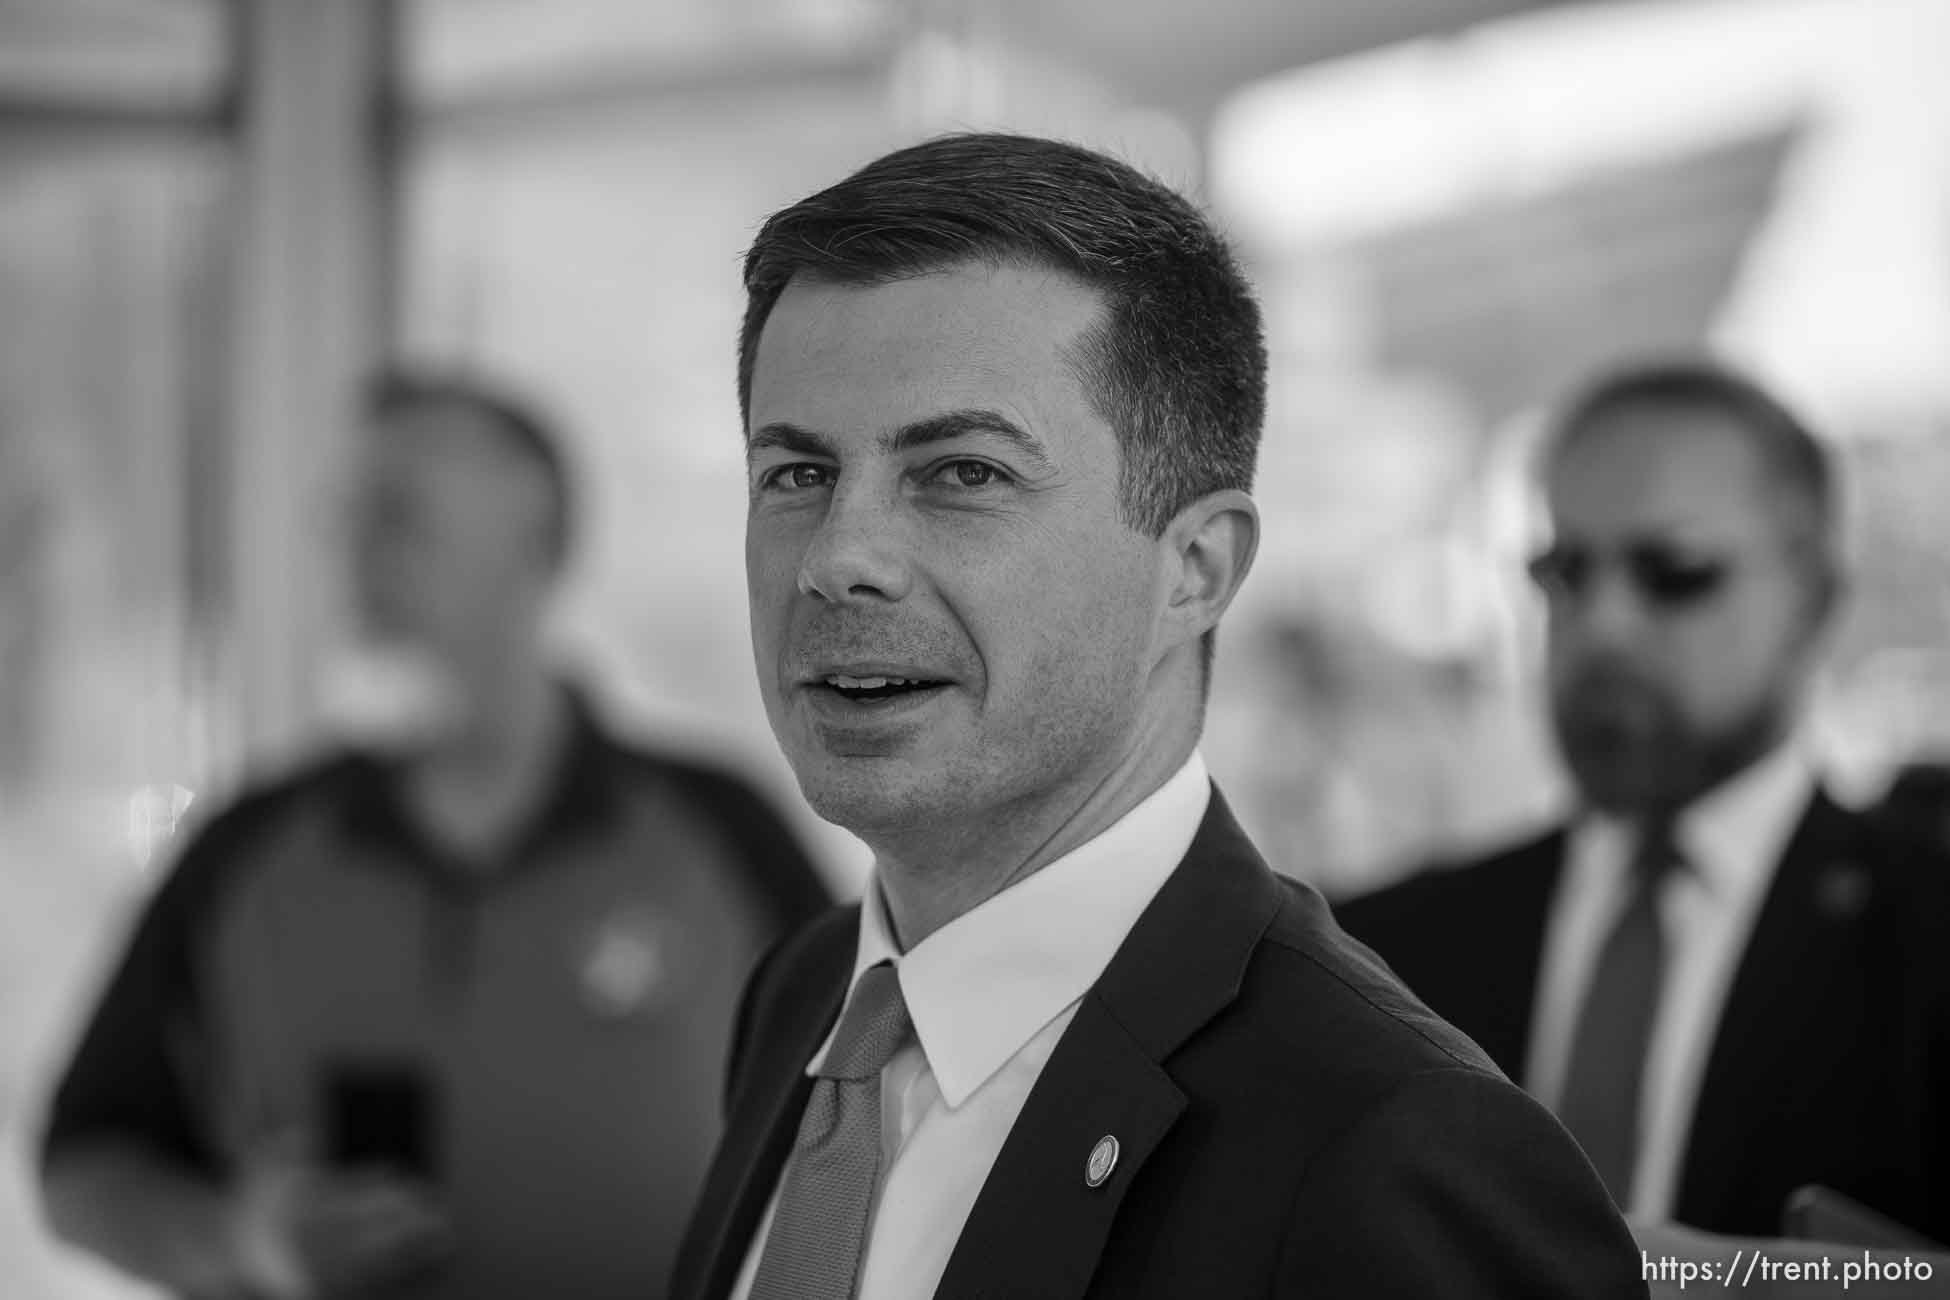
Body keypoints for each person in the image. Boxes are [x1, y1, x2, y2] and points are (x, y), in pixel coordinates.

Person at [667, 132, 1645, 1300]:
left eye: (963, 472)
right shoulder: (809, 998)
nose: (839, 560)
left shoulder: (1391, 1145)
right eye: (796, 474)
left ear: (1195, 567)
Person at [39, 372, 831, 1299]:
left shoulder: (719, 832)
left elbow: (862, 1121)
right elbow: (84, 1166)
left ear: (540, 547)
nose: (355, 559)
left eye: (398, 517)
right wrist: (239, 1240)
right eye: (346, 521)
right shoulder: (246, 850)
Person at [1339, 361, 1950, 1244]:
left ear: (1814, 601)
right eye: (1565, 572)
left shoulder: (1925, 935)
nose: (1605, 624)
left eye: (1676, 572)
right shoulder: (1377, 958)